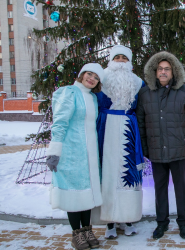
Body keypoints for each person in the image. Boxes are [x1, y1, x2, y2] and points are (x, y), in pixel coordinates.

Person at [136, 51, 185, 240]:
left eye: (167, 69)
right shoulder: (145, 93)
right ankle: (161, 223)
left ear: (173, 72)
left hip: (178, 150)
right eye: (160, 69)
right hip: (156, 150)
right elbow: (141, 122)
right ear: (154, 72)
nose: (163, 72)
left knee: (181, 189)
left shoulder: (184, 91)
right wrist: (145, 148)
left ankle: (183, 223)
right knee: (160, 189)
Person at [46, 63, 104, 250]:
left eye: (96, 77)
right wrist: (55, 150)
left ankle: (87, 230)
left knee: (86, 192)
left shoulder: (92, 98)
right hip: (71, 153)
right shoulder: (69, 93)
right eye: (89, 74)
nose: (92, 79)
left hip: (89, 154)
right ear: (81, 75)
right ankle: (76, 234)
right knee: (73, 193)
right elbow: (60, 122)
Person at [95, 45, 145, 239]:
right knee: (107, 174)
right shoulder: (101, 79)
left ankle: (129, 218)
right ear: (111, 60)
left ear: (130, 61)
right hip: (106, 129)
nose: (121, 61)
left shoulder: (138, 82)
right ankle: (109, 222)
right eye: (117, 57)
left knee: (129, 172)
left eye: (125, 58)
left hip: (128, 129)